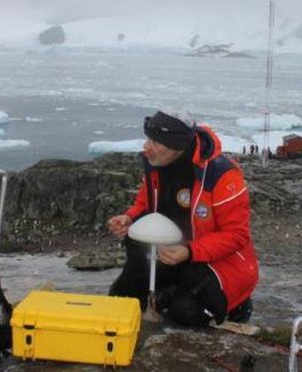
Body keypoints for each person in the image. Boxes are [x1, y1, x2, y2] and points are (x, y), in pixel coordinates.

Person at [108, 111, 259, 327]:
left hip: (212, 260)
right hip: (171, 250)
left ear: (177, 145)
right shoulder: (156, 164)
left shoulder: (222, 175)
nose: (146, 147)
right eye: (148, 138)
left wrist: (190, 252)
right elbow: (146, 203)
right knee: (121, 297)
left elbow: (236, 235)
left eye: (155, 141)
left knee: (186, 312)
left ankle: (237, 304)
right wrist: (130, 218)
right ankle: (170, 289)